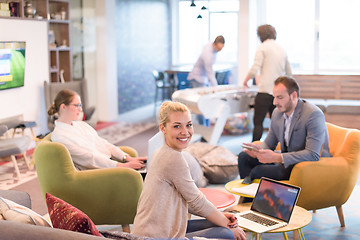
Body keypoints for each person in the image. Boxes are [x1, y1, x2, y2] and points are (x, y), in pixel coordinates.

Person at [132, 101, 246, 240]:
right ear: (163, 128)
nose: (185, 132)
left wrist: (221, 217)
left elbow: (190, 199)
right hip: (155, 236)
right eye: (177, 126)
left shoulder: (161, 151)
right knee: (227, 234)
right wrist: (226, 224)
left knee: (220, 225)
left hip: (160, 228)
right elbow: (197, 202)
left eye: (189, 125)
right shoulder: (172, 158)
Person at [238, 76, 332, 183]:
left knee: (259, 171)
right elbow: (269, 144)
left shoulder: (313, 114)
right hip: (285, 160)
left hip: (305, 164)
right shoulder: (277, 113)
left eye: (280, 97)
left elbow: (313, 154)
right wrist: (257, 151)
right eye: (274, 97)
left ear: (293, 95)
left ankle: (256, 195)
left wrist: (278, 157)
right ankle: (248, 199)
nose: (274, 102)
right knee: (243, 158)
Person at [48, 89, 146, 171]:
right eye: (76, 105)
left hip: (108, 164)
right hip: (96, 173)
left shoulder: (82, 125)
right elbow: (89, 158)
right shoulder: (60, 136)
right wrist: (122, 166)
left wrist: (126, 158)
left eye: (80, 106)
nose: (80, 110)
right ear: (63, 107)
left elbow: (103, 143)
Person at [243, 24, 292, 142]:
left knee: (258, 123)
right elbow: (289, 73)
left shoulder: (262, 48)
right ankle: (280, 149)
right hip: (279, 94)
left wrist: (245, 81)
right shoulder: (282, 49)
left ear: (260, 35)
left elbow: (255, 68)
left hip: (264, 92)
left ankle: (253, 149)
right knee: (278, 124)